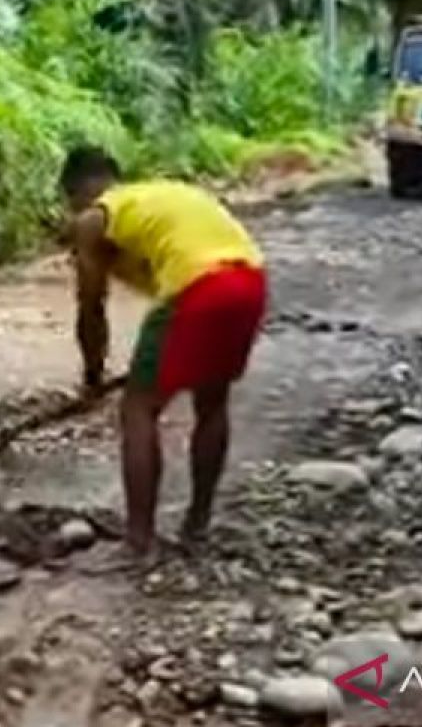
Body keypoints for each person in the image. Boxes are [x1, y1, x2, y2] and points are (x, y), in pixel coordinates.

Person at [61, 146, 268, 568]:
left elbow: (91, 305)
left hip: (198, 287)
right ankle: (197, 527)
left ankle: (139, 542)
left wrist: (92, 377)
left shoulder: (94, 217)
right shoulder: (157, 195)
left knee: (138, 408)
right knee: (212, 402)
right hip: (249, 280)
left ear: (74, 192)